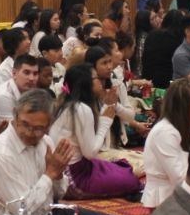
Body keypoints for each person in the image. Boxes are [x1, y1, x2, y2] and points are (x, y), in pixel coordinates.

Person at [50, 63, 141, 197]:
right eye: (96, 78)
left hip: (78, 166)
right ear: (86, 83)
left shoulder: (69, 104)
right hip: (71, 177)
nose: (100, 81)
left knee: (122, 168)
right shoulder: (80, 109)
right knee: (130, 180)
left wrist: (109, 108)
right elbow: (90, 153)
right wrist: (105, 122)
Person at [141, 78, 190, 208]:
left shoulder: (181, 128)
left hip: (177, 194)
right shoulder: (165, 132)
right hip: (165, 200)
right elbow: (179, 178)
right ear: (183, 105)